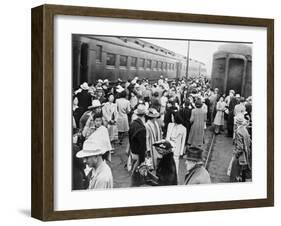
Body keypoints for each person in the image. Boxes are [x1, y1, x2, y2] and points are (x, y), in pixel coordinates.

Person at [128, 104, 147, 186]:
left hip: (132, 152)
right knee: (137, 175)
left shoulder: (132, 124)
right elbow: (142, 146)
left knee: (134, 171)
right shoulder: (142, 128)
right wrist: (142, 160)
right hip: (138, 155)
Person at [229, 116, 252, 182]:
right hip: (247, 153)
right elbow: (249, 143)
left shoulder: (238, 131)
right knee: (244, 170)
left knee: (235, 171)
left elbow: (240, 147)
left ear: (237, 123)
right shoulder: (245, 130)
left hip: (241, 155)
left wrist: (236, 154)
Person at [166, 111, 186, 175]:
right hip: (169, 148)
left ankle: (175, 177)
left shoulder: (183, 128)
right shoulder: (170, 125)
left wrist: (181, 152)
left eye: (172, 117)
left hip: (176, 149)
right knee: (167, 164)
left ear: (176, 118)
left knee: (175, 165)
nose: (171, 118)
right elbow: (167, 136)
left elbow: (183, 141)